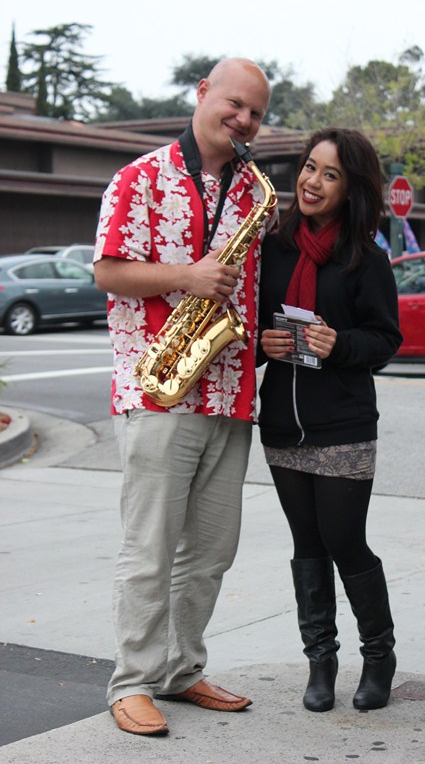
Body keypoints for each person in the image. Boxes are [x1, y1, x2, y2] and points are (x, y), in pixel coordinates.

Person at [93, 57, 274, 737]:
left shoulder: (254, 190)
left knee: (211, 551)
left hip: (230, 392)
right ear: (202, 93)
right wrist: (187, 277)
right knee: (151, 547)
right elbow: (107, 271)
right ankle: (132, 681)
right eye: (234, 104)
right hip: (160, 390)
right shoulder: (139, 177)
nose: (244, 120)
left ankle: (179, 667)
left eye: (256, 113)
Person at [257, 128, 403, 714]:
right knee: (307, 545)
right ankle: (321, 662)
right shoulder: (273, 247)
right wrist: (264, 341)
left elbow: (385, 339)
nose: (313, 182)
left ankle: (379, 656)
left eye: (331, 174)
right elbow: (252, 321)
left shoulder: (366, 258)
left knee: (345, 541)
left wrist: (339, 343)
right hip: (282, 425)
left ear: (351, 189)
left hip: (343, 425)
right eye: (310, 167)